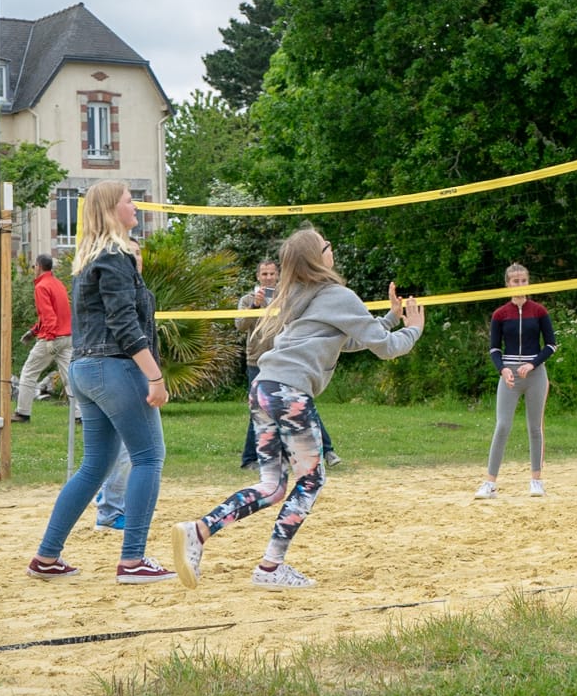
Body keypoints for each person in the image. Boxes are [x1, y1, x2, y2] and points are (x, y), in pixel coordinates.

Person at [172, 227, 423, 590]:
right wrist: (412, 329)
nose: (331, 248)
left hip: (264, 388)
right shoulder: (337, 294)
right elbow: (386, 348)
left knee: (273, 485)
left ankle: (198, 530)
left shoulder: (298, 294)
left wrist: (386, 320)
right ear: (319, 256)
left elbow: (343, 340)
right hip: (289, 392)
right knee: (312, 479)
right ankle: (271, 568)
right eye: (327, 245)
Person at [27, 180, 174, 584]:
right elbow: (126, 326)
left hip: (86, 369)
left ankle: (47, 557)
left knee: (94, 466)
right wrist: (155, 376)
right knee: (148, 457)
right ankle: (133, 560)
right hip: (114, 367)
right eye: (130, 202)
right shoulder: (113, 256)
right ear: (112, 209)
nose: (136, 208)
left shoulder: (91, 258)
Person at [235, 258, 339, 468]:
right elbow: (240, 325)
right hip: (258, 361)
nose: (268, 278)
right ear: (258, 276)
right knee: (259, 410)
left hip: (286, 360)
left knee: (303, 404)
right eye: (264, 274)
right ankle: (250, 459)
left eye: (272, 274)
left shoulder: (288, 297)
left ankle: (326, 451)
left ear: (278, 275)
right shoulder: (248, 300)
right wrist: (256, 305)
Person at [475, 263, 556, 499]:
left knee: (535, 428)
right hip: (510, 376)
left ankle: (536, 481)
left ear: (528, 282)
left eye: (523, 280)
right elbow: (493, 349)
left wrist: (533, 363)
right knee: (502, 426)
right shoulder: (500, 314)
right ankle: (490, 483)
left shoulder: (539, 311)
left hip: (535, 374)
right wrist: (503, 370)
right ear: (507, 284)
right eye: (515, 281)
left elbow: (551, 344)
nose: (519, 285)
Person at [13, 254, 80, 425]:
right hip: (68, 337)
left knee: (29, 373)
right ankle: (80, 415)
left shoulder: (41, 287)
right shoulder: (58, 285)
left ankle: (23, 413)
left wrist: (49, 338)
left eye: (34, 266)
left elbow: (49, 316)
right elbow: (56, 314)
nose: (33, 269)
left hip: (53, 338)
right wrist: (33, 331)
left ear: (39, 267)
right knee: (70, 377)